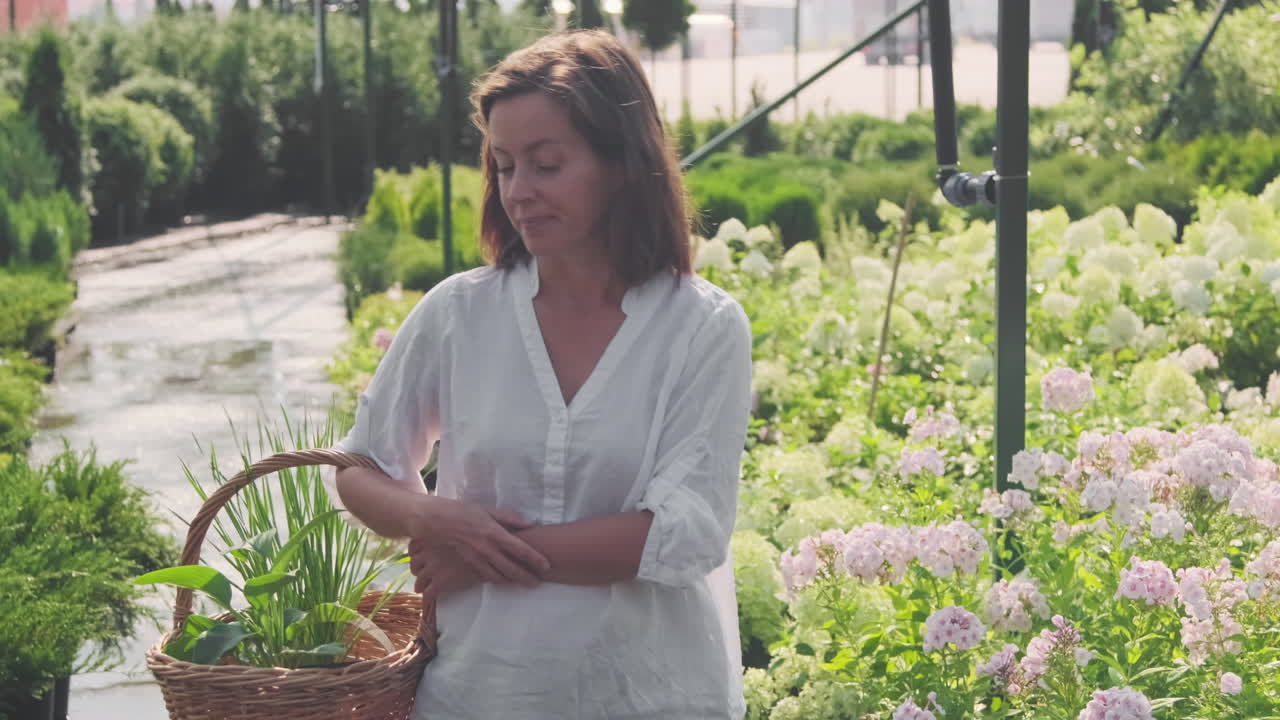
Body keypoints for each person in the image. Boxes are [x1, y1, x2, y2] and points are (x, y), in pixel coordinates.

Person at [331, 29, 753, 719]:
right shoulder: (459, 314)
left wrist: (483, 555)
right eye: (503, 166)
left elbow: (684, 535)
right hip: (476, 693)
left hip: (648, 695)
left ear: (622, 163)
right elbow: (359, 466)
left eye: (546, 165)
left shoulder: (701, 329)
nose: (518, 191)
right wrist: (433, 518)